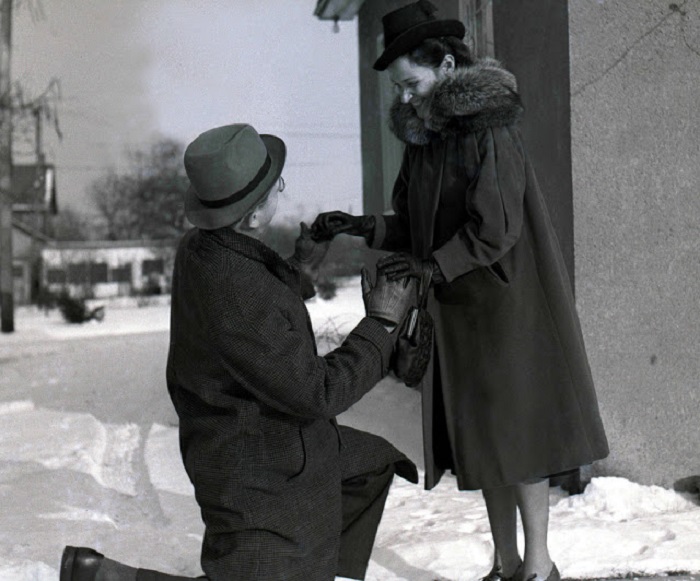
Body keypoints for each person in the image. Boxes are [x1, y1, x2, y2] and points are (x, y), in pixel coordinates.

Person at [312, 2, 609, 581]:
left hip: (505, 306)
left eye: (410, 83)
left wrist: (431, 269)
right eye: (397, 88)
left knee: (518, 441)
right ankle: (503, 562)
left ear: (447, 65)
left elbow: (495, 230)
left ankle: (539, 566)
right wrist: (359, 225)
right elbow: (413, 222)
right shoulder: (423, 140)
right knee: (482, 445)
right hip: (457, 307)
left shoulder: (488, 129)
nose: (402, 98)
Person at [60, 123, 418, 581]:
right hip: (257, 465)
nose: (281, 191)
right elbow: (318, 393)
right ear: (252, 217)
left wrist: (302, 265)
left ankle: (311, 569)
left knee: (371, 462)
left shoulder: (203, 249)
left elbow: (256, 310)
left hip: (261, 440)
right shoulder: (237, 288)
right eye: (275, 188)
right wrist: (382, 325)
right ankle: (108, 577)